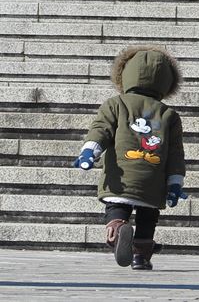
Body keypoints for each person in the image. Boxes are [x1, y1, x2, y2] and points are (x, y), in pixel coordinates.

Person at [73, 46, 186, 271]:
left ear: (125, 75)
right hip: (152, 179)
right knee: (148, 216)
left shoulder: (115, 104)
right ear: (166, 82)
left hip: (121, 176)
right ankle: (141, 256)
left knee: (116, 205)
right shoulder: (169, 115)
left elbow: (100, 130)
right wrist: (175, 182)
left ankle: (117, 229)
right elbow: (175, 153)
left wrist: (89, 152)